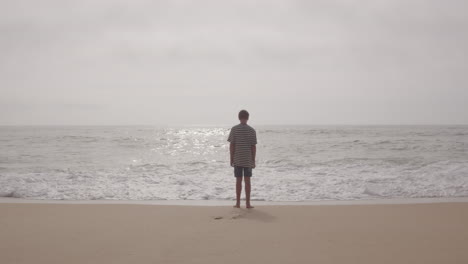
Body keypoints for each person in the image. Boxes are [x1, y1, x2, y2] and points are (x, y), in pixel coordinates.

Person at [227, 109, 257, 209]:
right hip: (248, 160)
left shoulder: (234, 129)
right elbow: (253, 147)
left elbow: (232, 145)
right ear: (248, 118)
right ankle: (248, 204)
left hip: (238, 159)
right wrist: (253, 160)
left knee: (238, 181)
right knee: (247, 182)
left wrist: (231, 158)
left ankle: (238, 203)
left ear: (239, 118)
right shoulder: (252, 130)